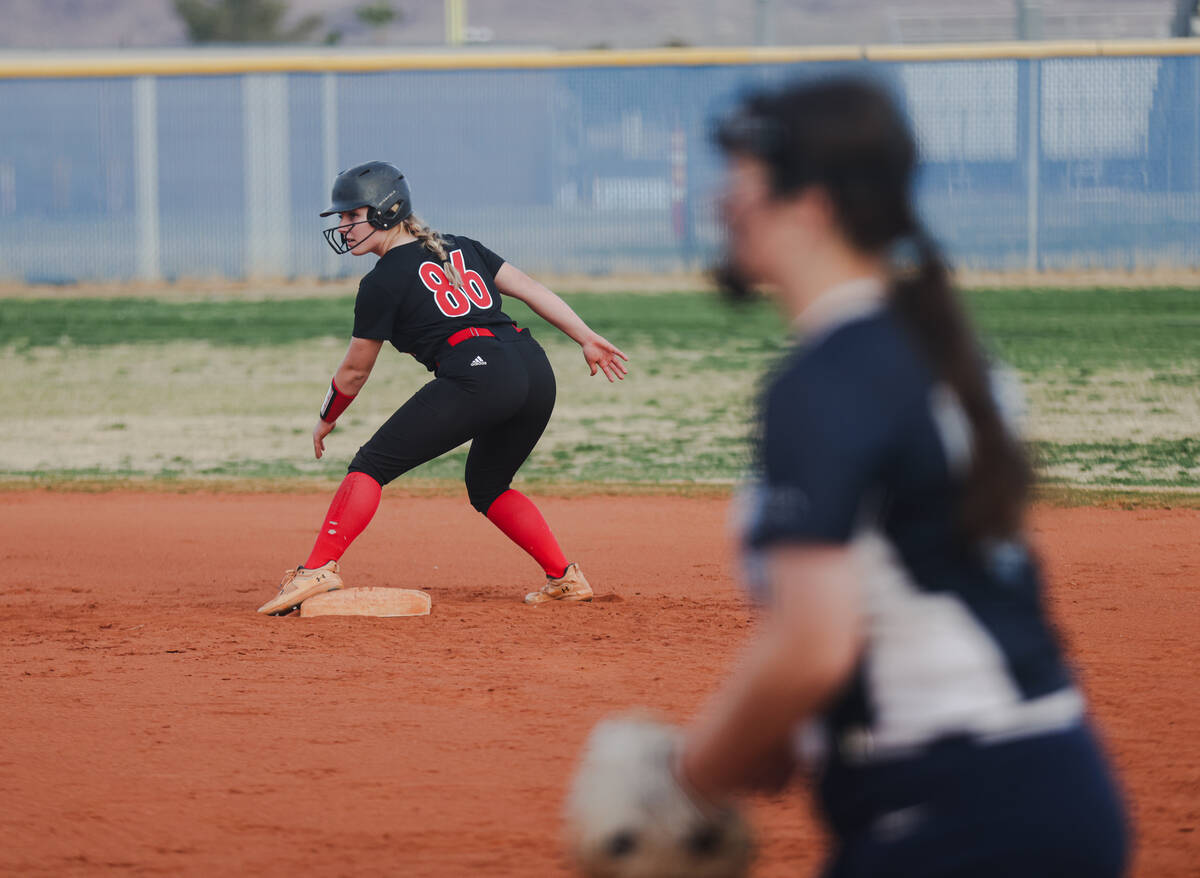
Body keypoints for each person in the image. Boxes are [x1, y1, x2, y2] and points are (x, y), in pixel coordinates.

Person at [626, 77, 1128, 875]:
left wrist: (683, 786)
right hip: (1041, 783)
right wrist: (785, 734)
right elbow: (908, 577)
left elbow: (811, 646)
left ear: (814, 203)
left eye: (746, 180)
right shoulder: (932, 344)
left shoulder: (827, 377)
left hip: (954, 813)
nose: (725, 203)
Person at [257, 161, 627, 615]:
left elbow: (354, 371)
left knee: (370, 465)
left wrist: (327, 418)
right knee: (488, 485)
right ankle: (564, 577)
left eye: (352, 215)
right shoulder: (461, 247)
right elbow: (529, 289)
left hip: (480, 372)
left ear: (386, 212)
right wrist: (585, 338)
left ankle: (317, 569)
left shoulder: (382, 281)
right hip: (533, 368)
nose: (344, 227)